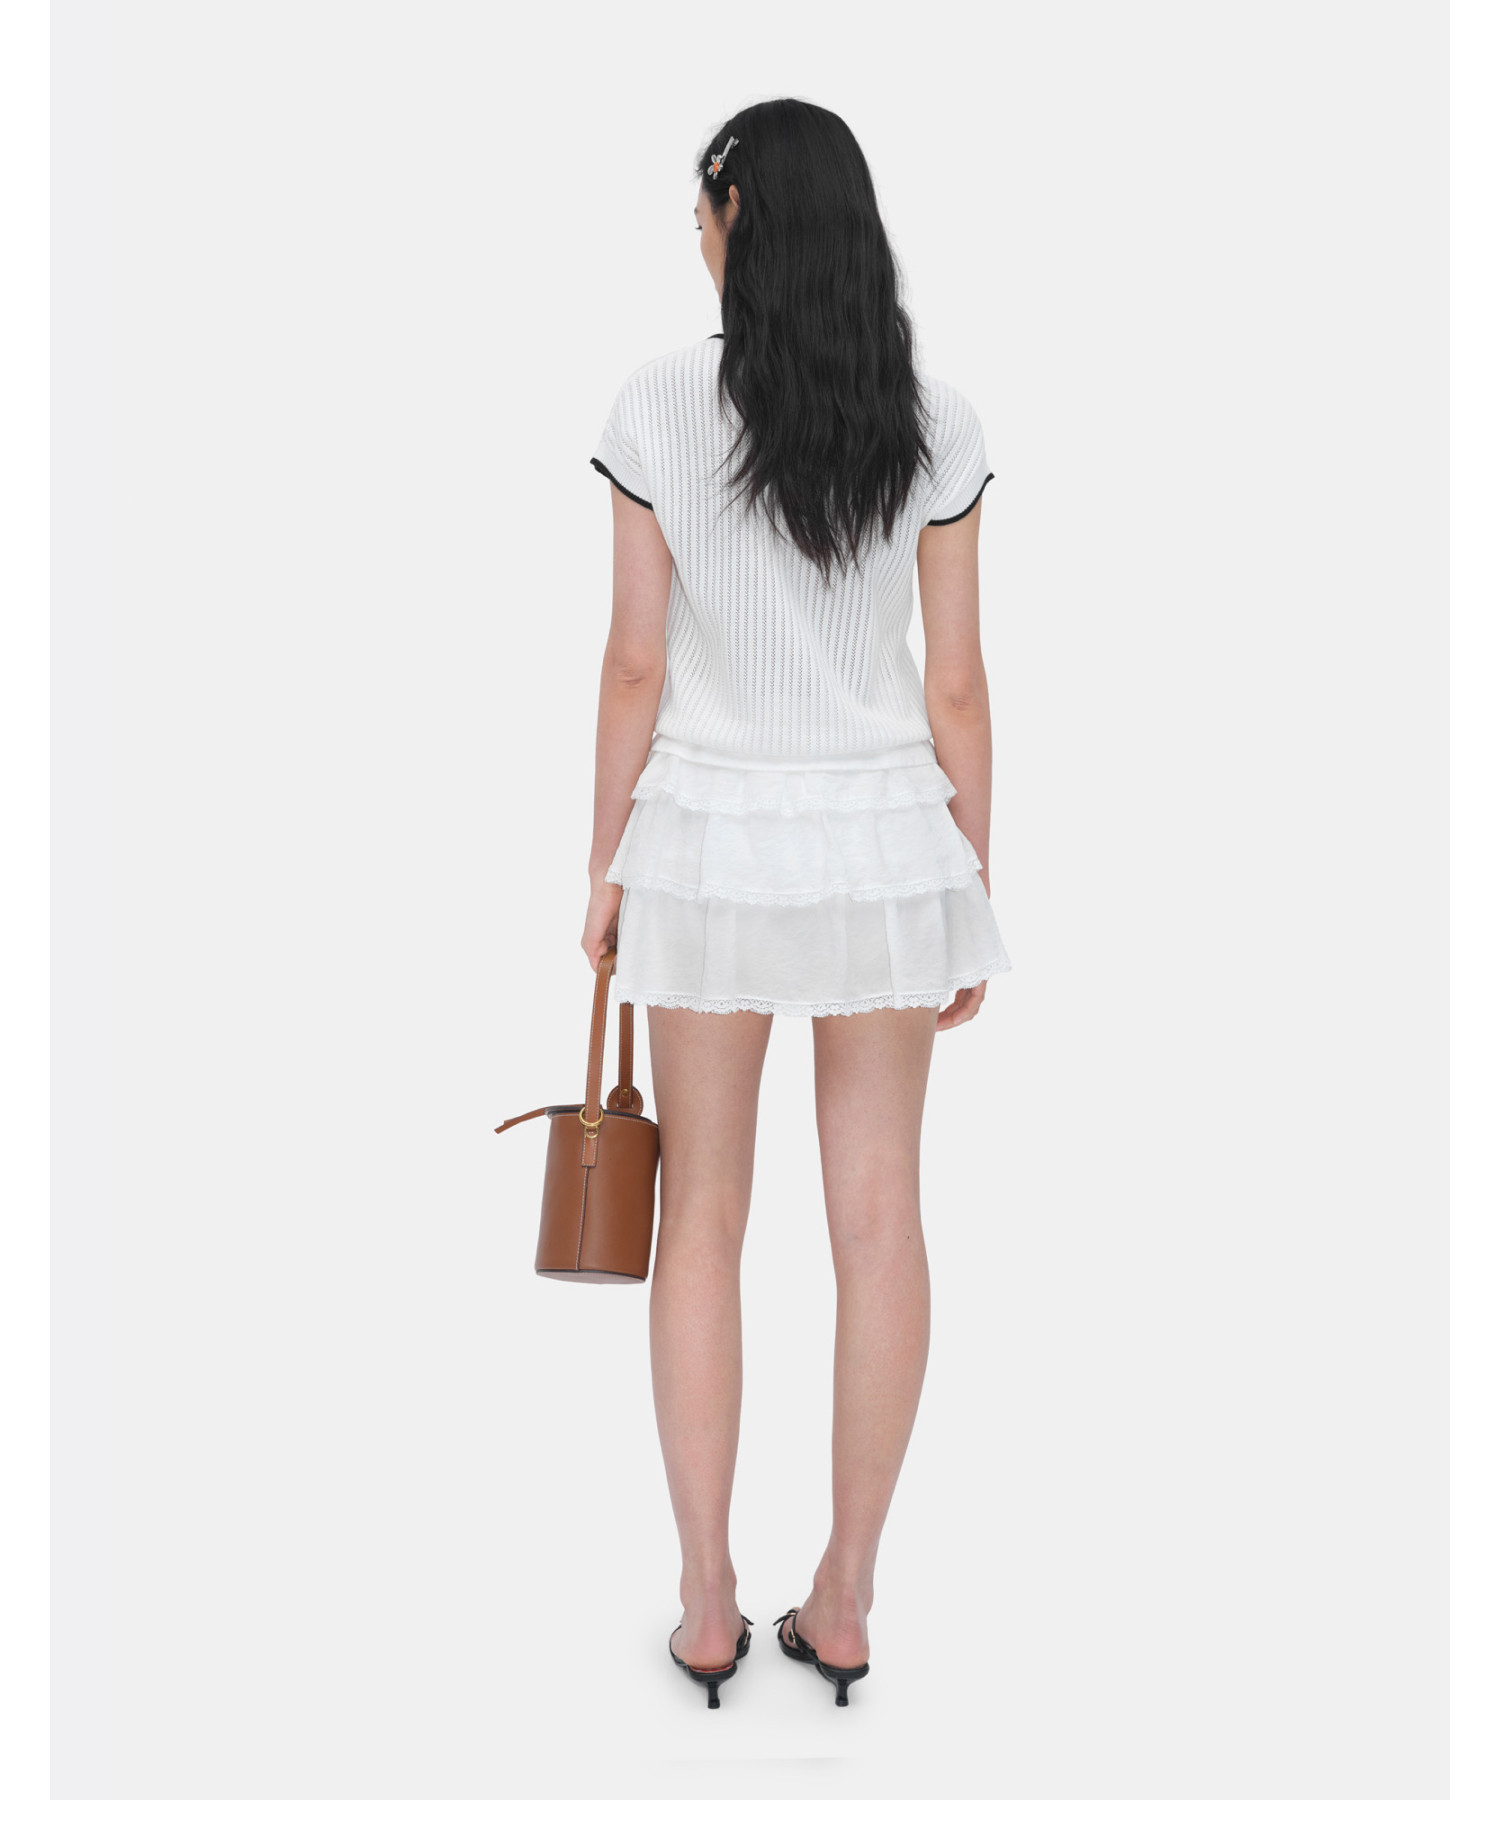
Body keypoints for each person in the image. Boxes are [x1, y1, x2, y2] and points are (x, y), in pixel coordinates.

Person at [580, 98, 1012, 1709]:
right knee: (880, 1215)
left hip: (707, 839)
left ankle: (706, 1603)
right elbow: (955, 685)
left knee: (702, 1215)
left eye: (701, 209)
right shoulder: (936, 420)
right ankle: (847, 1596)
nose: (692, 233)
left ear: (738, 216)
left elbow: (635, 662)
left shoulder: (653, 403)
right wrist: (970, 874)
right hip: (884, 845)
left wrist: (603, 864)